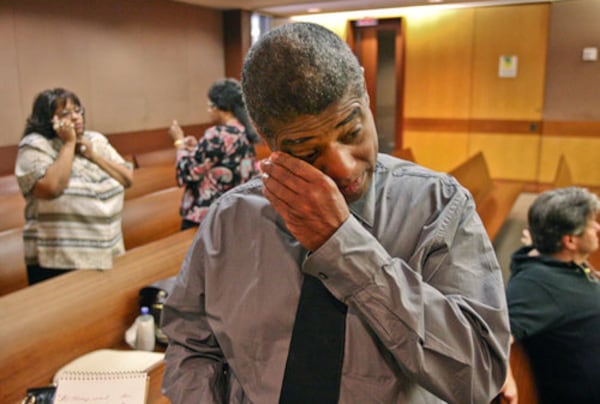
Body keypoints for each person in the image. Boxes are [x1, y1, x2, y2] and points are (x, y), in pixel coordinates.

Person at [161, 22, 510, 403]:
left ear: (365, 96)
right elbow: (190, 345)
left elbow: (479, 376)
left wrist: (344, 245)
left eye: (352, 132)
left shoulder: (439, 208)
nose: (343, 167)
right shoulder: (231, 221)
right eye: (307, 153)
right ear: (267, 141)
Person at [14, 87, 133, 285]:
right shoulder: (35, 146)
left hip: (106, 248)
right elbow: (52, 188)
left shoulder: (96, 141)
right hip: (58, 261)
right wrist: (69, 144)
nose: (76, 117)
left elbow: (127, 178)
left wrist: (93, 155)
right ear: (47, 119)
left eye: (78, 111)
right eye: (65, 114)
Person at [501, 186, 600, 404]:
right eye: (591, 224)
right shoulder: (535, 285)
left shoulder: (561, 264)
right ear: (570, 241)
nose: (597, 227)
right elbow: (496, 332)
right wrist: (505, 377)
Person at [168, 78, 260, 229]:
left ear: (221, 107)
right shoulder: (244, 133)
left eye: (210, 106)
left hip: (207, 218)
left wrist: (179, 143)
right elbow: (224, 160)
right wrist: (197, 148)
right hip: (233, 214)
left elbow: (185, 173)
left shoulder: (217, 134)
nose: (209, 111)